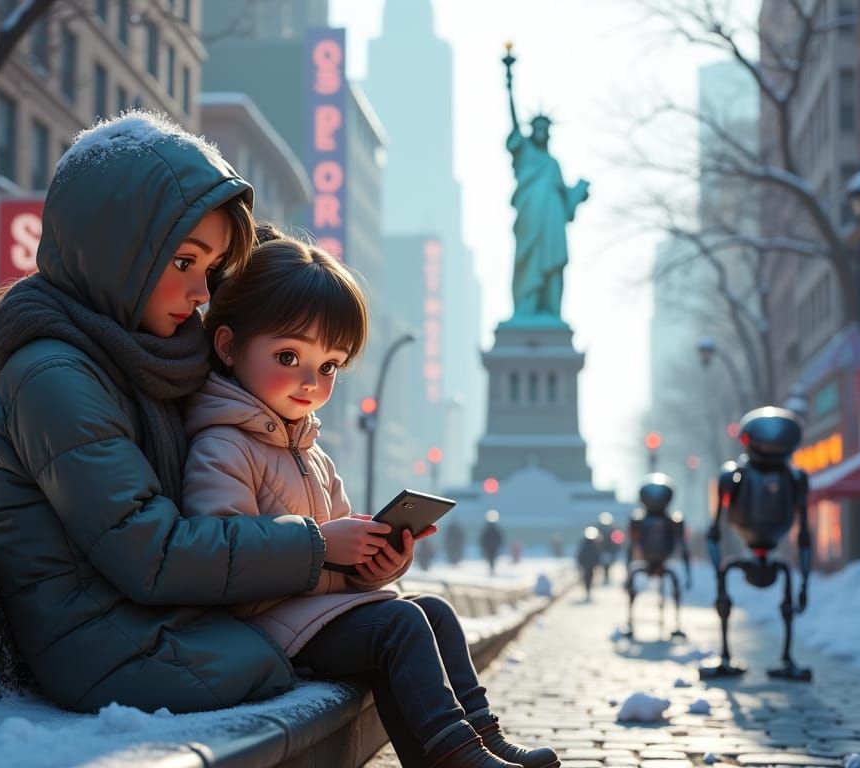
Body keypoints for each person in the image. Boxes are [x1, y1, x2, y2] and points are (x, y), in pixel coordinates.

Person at [0, 111, 325, 715]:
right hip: (103, 646)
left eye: (210, 271)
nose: (203, 293)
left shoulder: (146, 359)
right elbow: (152, 555)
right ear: (115, 252)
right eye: (183, 262)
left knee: (376, 631)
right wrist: (315, 548)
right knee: (317, 652)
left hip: (155, 624)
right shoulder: (56, 378)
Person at [181, 234, 560, 768]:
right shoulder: (221, 444)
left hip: (310, 618)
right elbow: (221, 556)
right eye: (288, 356)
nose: (311, 381)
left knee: (433, 611)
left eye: (330, 366)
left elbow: (340, 562)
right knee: (399, 626)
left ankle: (482, 739)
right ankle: (454, 756)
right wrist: (321, 546)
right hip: (265, 629)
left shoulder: (311, 454)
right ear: (228, 346)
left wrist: (376, 563)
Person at [502, 45, 589, 322]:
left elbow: (566, 206)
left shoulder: (553, 165)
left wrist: (578, 193)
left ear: (548, 132)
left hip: (551, 221)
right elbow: (513, 125)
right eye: (536, 128)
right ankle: (526, 309)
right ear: (532, 131)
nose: (540, 132)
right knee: (527, 262)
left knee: (552, 266)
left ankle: (550, 311)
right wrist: (509, 85)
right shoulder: (525, 153)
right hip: (530, 217)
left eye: (544, 128)